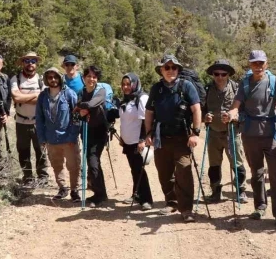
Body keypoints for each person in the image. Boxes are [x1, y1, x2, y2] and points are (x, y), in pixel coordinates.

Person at [224, 50, 276, 229]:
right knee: (256, 173)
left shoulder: (274, 81)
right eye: (254, 63)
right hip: (250, 134)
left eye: (261, 63)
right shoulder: (245, 83)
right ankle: (260, 207)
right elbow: (235, 106)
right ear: (250, 64)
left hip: (270, 135)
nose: (258, 66)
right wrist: (231, 114)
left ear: (266, 63)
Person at [144, 55, 202, 223]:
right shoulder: (157, 89)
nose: (170, 71)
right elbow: (149, 112)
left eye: (173, 67)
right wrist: (148, 134)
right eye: (167, 68)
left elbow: (196, 109)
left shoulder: (187, 86)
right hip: (161, 137)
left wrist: (195, 133)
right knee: (164, 172)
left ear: (178, 69)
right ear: (161, 70)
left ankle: (186, 209)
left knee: (184, 170)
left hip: (182, 138)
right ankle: (171, 201)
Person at [202, 59, 248, 204]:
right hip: (213, 133)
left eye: (223, 74)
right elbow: (200, 110)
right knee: (214, 165)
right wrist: (205, 117)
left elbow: (245, 112)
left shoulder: (237, 89)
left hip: (232, 132)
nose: (220, 77)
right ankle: (216, 191)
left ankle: (241, 191)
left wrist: (234, 117)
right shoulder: (207, 89)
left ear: (228, 74)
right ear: (213, 74)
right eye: (216, 74)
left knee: (237, 163)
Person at [35, 67, 82, 202]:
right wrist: (42, 138)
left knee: (73, 166)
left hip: (68, 138)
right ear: (46, 80)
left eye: (55, 77)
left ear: (60, 78)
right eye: (50, 77)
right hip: (51, 138)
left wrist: (73, 136)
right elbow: (39, 118)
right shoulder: (43, 96)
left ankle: (74, 190)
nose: (53, 80)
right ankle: (62, 188)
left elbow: (76, 117)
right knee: (56, 165)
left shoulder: (69, 94)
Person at [74, 65, 114, 207]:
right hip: (86, 131)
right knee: (91, 161)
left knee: (93, 161)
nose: (91, 79)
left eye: (94, 77)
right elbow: (77, 108)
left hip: (99, 132)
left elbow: (92, 103)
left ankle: (101, 195)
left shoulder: (101, 91)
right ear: (83, 78)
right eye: (89, 76)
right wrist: (80, 110)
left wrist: (82, 107)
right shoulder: (81, 91)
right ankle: (98, 191)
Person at [11, 52, 49, 186]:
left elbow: (43, 100)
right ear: (23, 63)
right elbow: (16, 98)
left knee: (41, 150)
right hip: (21, 121)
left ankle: (43, 177)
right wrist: (36, 95)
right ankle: (27, 177)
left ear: (36, 63)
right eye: (27, 60)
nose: (30, 63)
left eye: (33, 61)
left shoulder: (43, 79)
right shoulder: (16, 79)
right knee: (23, 150)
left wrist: (24, 97)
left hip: (38, 122)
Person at [119, 73, 153, 211]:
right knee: (134, 170)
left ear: (135, 83)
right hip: (128, 141)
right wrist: (122, 136)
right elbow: (124, 121)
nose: (126, 87)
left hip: (137, 141)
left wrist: (142, 140)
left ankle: (147, 200)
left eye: (129, 84)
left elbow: (145, 120)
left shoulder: (142, 98)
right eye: (124, 84)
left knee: (139, 171)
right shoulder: (126, 100)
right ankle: (137, 194)